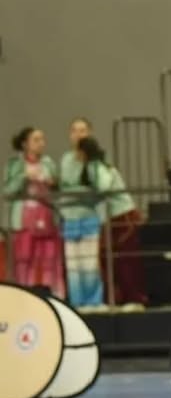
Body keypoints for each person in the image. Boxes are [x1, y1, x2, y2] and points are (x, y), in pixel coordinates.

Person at [79, 137, 147, 309]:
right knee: (109, 259)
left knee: (124, 260)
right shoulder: (93, 168)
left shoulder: (98, 167)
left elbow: (104, 186)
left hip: (121, 216)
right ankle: (116, 298)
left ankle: (134, 298)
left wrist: (89, 194)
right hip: (108, 219)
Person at [4, 127, 64, 299]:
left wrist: (52, 182)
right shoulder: (14, 164)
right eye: (36, 140)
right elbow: (8, 190)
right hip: (24, 217)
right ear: (25, 144)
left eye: (42, 139)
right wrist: (24, 176)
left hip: (46, 214)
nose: (40, 144)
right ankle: (23, 295)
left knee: (48, 257)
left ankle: (52, 295)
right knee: (23, 258)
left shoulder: (48, 163)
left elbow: (58, 187)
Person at [58, 119, 104, 309]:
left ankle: (93, 301)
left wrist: (79, 191)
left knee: (90, 264)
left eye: (83, 130)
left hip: (89, 217)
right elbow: (65, 186)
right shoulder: (66, 159)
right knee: (74, 266)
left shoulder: (96, 161)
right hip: (70, 217)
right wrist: (79, 191)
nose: (79, 134)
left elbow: (97, 188)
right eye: (75, 131)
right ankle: (77, 303)